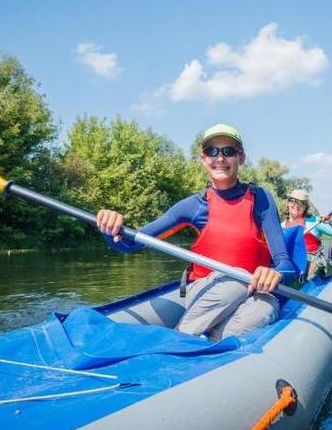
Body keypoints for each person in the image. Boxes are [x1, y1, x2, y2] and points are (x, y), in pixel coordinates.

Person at [96, 124, 296, 341]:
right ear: (203, 159)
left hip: (256, 291)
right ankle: (178, 339)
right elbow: (129, 244)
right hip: (209, 291)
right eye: (212, 151)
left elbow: (284, 263)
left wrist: (275, 273)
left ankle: (208, 342)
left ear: (241, 158)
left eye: (228, 151)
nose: (220, 158)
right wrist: (109, 226)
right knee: (236, 280)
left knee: (263, 308)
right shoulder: (193, 206)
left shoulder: (261, 199)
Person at [282, 189, 332, 280]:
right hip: (290, 263)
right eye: (293, 201)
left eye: (301, 203)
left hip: (312, 260)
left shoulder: (315, 221)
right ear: (288, 203)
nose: (296, 205)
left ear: (305, 207)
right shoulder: (281, 226)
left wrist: (331, 222)